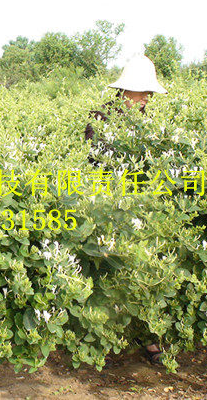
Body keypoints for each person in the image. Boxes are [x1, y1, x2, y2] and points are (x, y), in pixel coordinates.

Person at [85, 54, 167, 364]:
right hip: (108, 203)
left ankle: (148, 339)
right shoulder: (101, 118)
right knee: (109, 269)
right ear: (125, 90)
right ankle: (104, 337)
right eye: (142, 91)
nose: (146, 98)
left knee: (143, 267)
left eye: (149, 93)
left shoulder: (150, 121)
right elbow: (92, 162)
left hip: (140, 205)